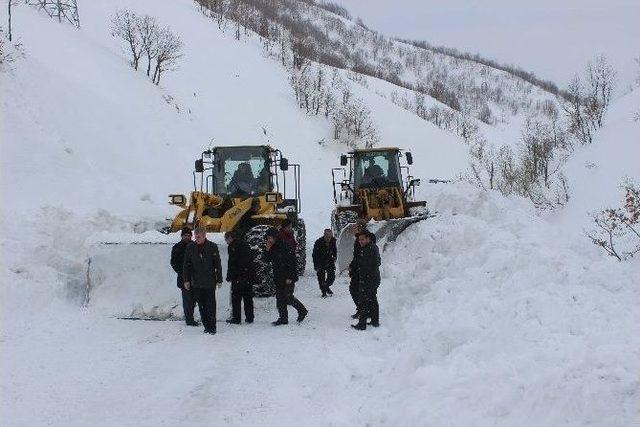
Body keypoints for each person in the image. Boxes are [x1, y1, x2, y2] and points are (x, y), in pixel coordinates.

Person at [183, 227, 223, 335]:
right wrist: (186, 280)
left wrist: (219, 279)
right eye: (196, 236)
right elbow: (186, 264)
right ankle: (206, 326)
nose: (197, 238)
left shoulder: (212, 246)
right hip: (197, 282)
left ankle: (212, 327)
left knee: (211, 305)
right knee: (201, 306)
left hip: (210, 282)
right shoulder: (190, 247)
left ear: (205, 235)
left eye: (199, 236)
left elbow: (217, 264)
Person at [265, 228, 308, 326]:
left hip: (288, 276)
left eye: (270, 238)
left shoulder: (285, 246)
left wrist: (290, 277)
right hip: (278, 276)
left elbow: (292, 263)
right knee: (280, 298)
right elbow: (266, 260)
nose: (268, 240)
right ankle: (283, 318)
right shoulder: (272, 247)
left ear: (275, 237)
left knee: (288, 297)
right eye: (267, 238)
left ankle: (302, 310)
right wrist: (267, 250)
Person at [352, 231, 381, 331]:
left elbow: (366, 266)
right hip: (373, 279)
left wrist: (363, 279)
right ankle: (374, 321)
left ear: (368, 238)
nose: (360, 241)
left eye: (362, 239)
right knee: (372, 299)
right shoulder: (372, 247)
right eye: (359, 240)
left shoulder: (369, 249)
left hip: (369, 279)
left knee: (363, 301)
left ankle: (362, 324)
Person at [224, 231, 255, 324]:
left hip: (238, 277)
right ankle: (250, 317)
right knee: (248, 297)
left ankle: (236, 318)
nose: (226, 241)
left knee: (236, 298)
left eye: (226, 239)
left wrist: (231, 275)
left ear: (230, 238)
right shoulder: (244, 245)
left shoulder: (233, 247)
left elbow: (232, 263)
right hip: (247, 276)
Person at [348, 220, 376, 319]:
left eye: (356, 226)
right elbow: (356, 256)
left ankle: (364, 311)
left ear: (360, 227)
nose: (354, 228)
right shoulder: (359, 238)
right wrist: (352, 266)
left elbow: (362, 256)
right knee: (355, 290)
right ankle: (362, 310)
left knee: (358, 291)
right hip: (358, 268)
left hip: (363, 270)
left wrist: (355, 267)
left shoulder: (368, 238)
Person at [170, 226, 198, 326]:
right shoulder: (177, 247)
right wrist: (183, 273)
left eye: (189, 235)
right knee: (187, 301)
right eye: (185, 235)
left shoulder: (196, 246)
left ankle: (191, 317)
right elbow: (173, 263)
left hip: (196, 278)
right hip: (183, 279)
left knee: (194, 300)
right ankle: (189, 320)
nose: (187, 237)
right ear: (182, 236)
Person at [312, 229, 337, 297]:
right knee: (321, 277)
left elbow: (335, 250)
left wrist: (335, 257)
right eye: (327, 236)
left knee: (332, 277)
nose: (329, 238)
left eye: (330, 236)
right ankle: (323, 292)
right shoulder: (318, 242)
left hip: (329, 260)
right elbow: (314, 255)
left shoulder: (333, 240)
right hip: (320, 261)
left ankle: (326, 287)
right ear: (324, 235)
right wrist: (316, 265)